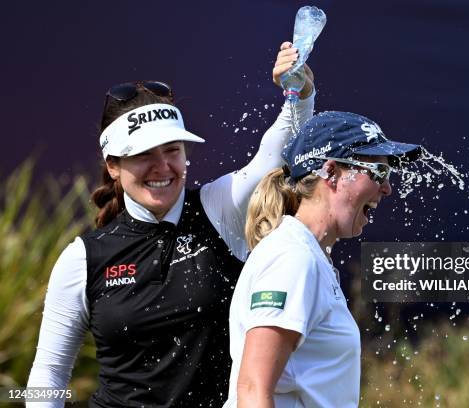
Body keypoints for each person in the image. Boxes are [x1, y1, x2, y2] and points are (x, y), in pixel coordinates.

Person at [27, 42, 315, 407]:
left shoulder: (218, 209)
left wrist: (299, 93)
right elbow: (48, 373)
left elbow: (277, 151)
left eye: (172, 151)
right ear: (113, 166)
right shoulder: (82, 259)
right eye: (144, 154)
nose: (162, 167)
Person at [223, 111, 421, 407]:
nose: (386, 188)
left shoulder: (308, 255)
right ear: (330, 171)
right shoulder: (293, 257)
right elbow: (253, 388)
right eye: (378, 173)